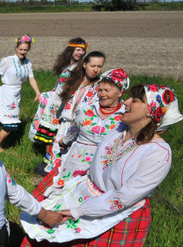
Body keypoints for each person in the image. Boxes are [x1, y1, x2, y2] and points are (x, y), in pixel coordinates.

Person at [18, 84, 182, 247]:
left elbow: (123, 197)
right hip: (88, 193)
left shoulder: (158, 153)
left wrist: (77, 210)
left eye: (135, 100)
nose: (126, 101)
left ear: (151, 112)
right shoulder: (119, 129)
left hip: (121, 213)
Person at [33, 69, 129, 201]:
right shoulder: (86, 108)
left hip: (105, 166)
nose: (102, 94)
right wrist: (64, 142)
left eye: (107, 90)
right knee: (63, 197)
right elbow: (73, 132)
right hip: (77, 161)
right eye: (100, 90)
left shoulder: (126, 116)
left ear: (120, 92)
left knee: (92, 201)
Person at [29, 38, 87, 175]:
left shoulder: (80, 67)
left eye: (83, 50)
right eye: (78, 49)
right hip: (55, 101)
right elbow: (59, 85)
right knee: (49, 133)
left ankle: (54, 161)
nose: (80, 53)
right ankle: (47, 159)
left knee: (58, 133)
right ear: (71, 49)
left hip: (65, 103)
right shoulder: (65, 64)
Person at [43, 51, 106, 174]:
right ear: (84, 65)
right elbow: (59, 97)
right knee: (56, 162)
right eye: (92, 66)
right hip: (65, 125)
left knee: (72, 166)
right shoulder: (73, 80)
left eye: (99, 66)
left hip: (82, 131)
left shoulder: (100, 86)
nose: (96, 69)